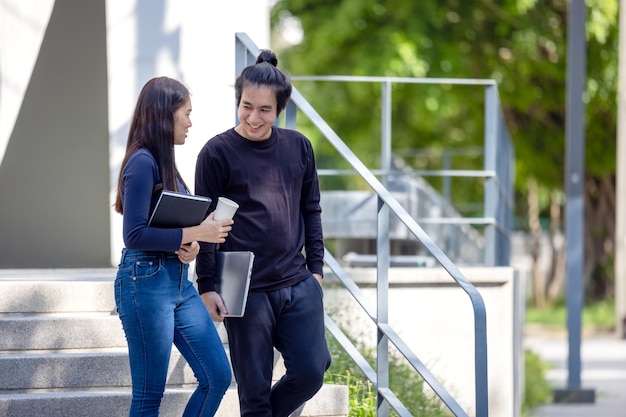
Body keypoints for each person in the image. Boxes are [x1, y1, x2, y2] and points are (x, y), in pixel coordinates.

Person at [194, 50, 331, 417]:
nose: (253, 117)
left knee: (311, 372)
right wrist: (206, 285)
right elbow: (208, 223)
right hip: (244, 287)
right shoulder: (216, 152)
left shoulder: (298, 146)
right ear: (238, 101)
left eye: (264, 110)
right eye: (246, 106)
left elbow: (311, 210)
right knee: (253, 393)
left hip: (297, 281)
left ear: (279, 109)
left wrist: (316, 270)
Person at [113, 76, 233, 417]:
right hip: (144, 281)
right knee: (150, 396)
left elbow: (170, 228)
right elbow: (133, 235)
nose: (191, 122)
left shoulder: (167, 165)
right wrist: (198, 231)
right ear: (165, 115)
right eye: (187, 113)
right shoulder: (141, 163)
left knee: (217, 376)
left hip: (179, 282)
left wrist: (191, 245)